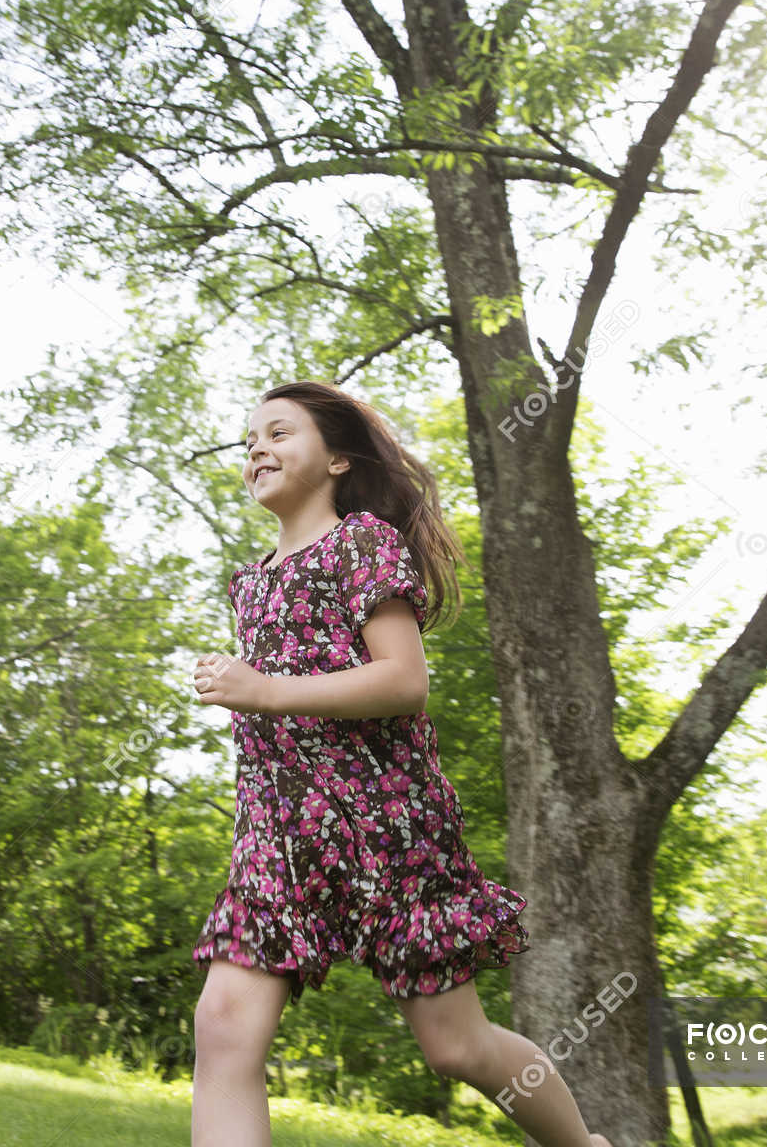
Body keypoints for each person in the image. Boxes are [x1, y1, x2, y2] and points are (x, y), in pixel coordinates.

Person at [189, 381, 612, 1147]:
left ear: (340, 459)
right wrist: (247, 694)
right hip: (279, 839)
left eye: (279, 433)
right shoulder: (249, 582)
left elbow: (404, 681)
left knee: (455, 1047)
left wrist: (265, 690)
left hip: (387, 827)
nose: (258, 448)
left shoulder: (362, 545)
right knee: (222, 1025)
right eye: (250, 439)